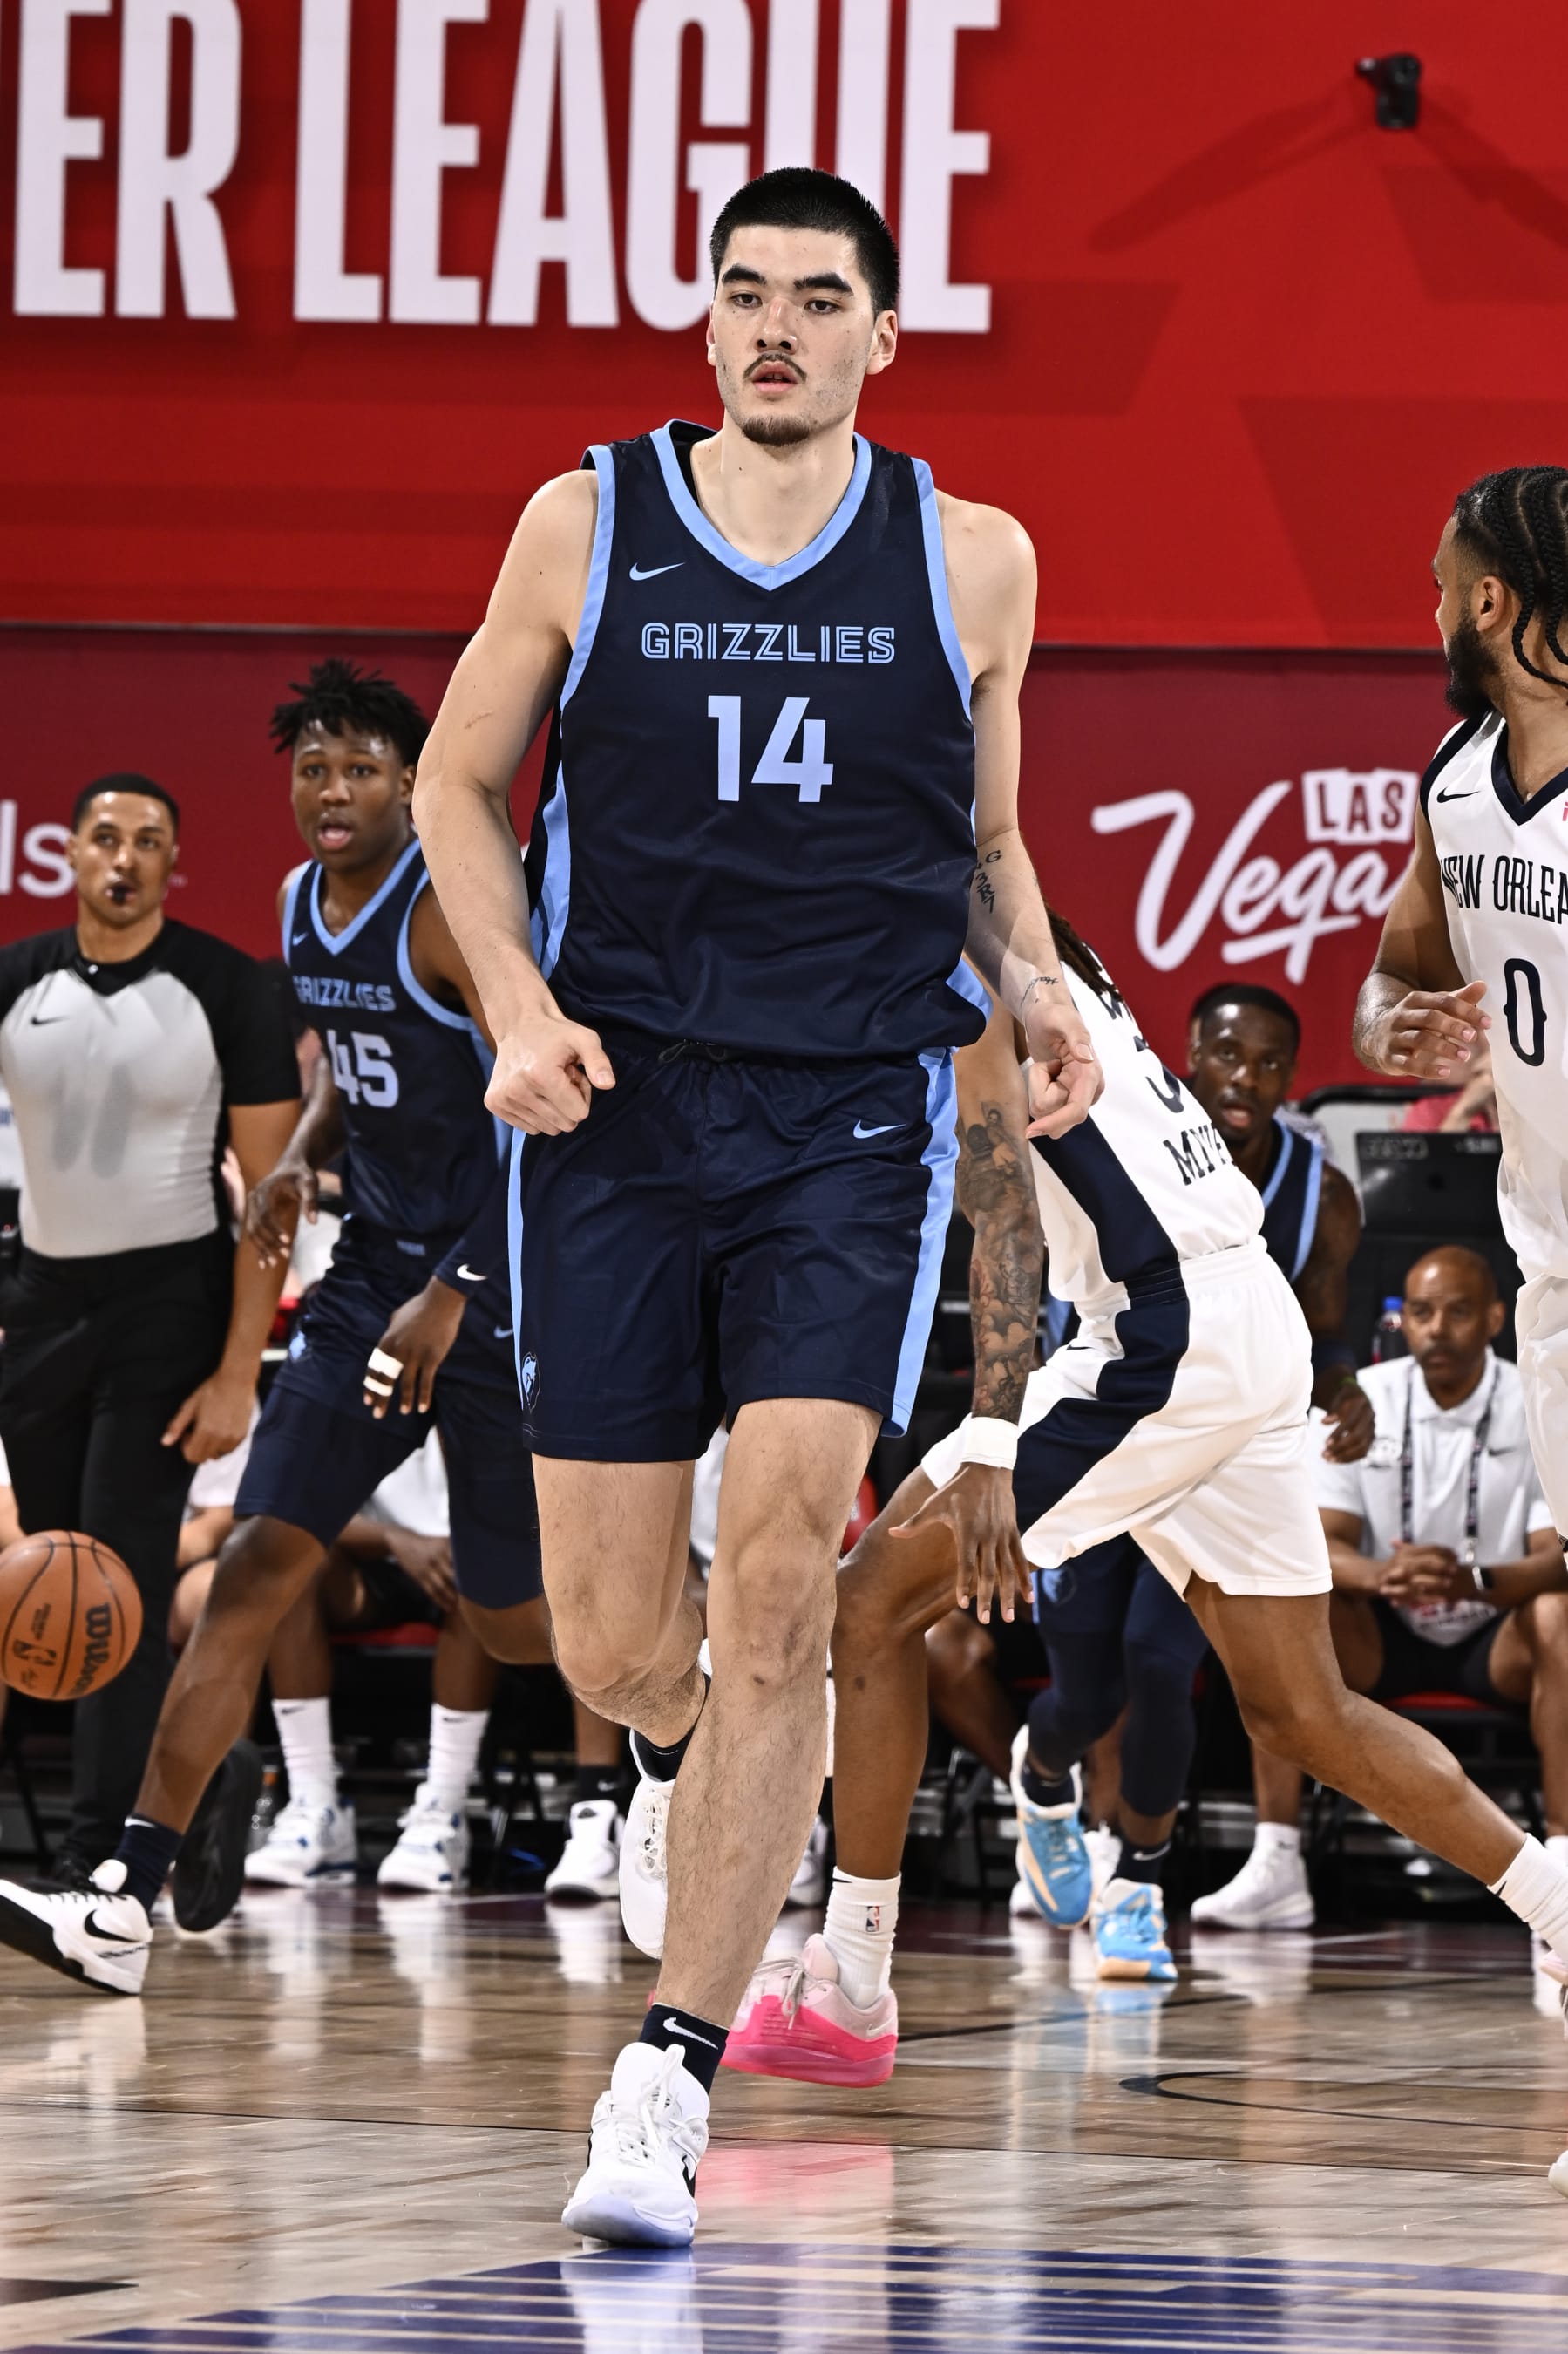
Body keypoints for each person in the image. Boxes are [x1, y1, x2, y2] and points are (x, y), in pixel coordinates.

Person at [411, 165, 1102, 2247]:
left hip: (849, 1121)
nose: (774, 325)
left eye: (815, 296)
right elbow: (454, 783)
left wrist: (1037, 976)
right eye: (742, 292)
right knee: (618, 1638)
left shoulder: (973, 557)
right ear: (705, 322)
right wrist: (514, 1008)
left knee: (783, 1582)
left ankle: (665, 2074)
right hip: (615, 1108)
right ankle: (698, 1767)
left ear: (883, 334)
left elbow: (985, 840)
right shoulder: (584, 519)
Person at [722, 924, 1568, 2087]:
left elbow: (1005, 1220)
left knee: (869, 1603)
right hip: (1228, 1320)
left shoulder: (944, 960)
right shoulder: (1026, 933)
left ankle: (852, 1986)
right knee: (1302, 1711)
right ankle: (1555, 1904)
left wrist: (986, 1440)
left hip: (1161, 1335)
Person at [0, 659, 547, 1987]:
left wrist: (453, 1293)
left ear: (412, 786)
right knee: (252, 1568)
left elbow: (541, 1120)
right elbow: (355, 1072)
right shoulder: (303, 904)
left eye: (362, 768)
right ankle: (124, 1899)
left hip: (489, 1292)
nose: (333, 791)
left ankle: (672, 1729)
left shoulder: (449, 912)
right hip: (366, 1283)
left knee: (515, 1618)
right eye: (313, 769)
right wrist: (301, 1155)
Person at [1350, 468, 1568, 2192]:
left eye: (1438, 580)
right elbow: (1396, 975)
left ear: (1489, 601)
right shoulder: (1450, 778)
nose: (1424, 605)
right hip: (1547, 1264)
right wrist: (1406, 1028)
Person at [0, 775, 300, 1881]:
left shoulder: (225, 986)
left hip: (169, 1307)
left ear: (174, 862)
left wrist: (236, 1372)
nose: (124, 858)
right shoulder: (15, 980)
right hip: (41, 1304)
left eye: (148, 841)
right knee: (56, 1576)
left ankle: (101, 1866)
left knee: (116, 1580)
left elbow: (271, 1199)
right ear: (69, 853)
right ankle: (203, 1776)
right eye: (105, 837)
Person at [1181, 981, 1368, 1929]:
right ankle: (1093, 1839)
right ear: (1189, 1055)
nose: (1245, 1079)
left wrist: (1345, 1392)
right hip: (1136, 1425)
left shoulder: (1322, 1195)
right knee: (1111, 1665)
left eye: (1267, 1064)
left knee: (1273, 1660)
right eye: (1227, 1055)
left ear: (1292, 1078)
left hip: (1245, 1447)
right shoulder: (1139, 1147)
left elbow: (1324, 1343)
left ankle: (1276, 1857)